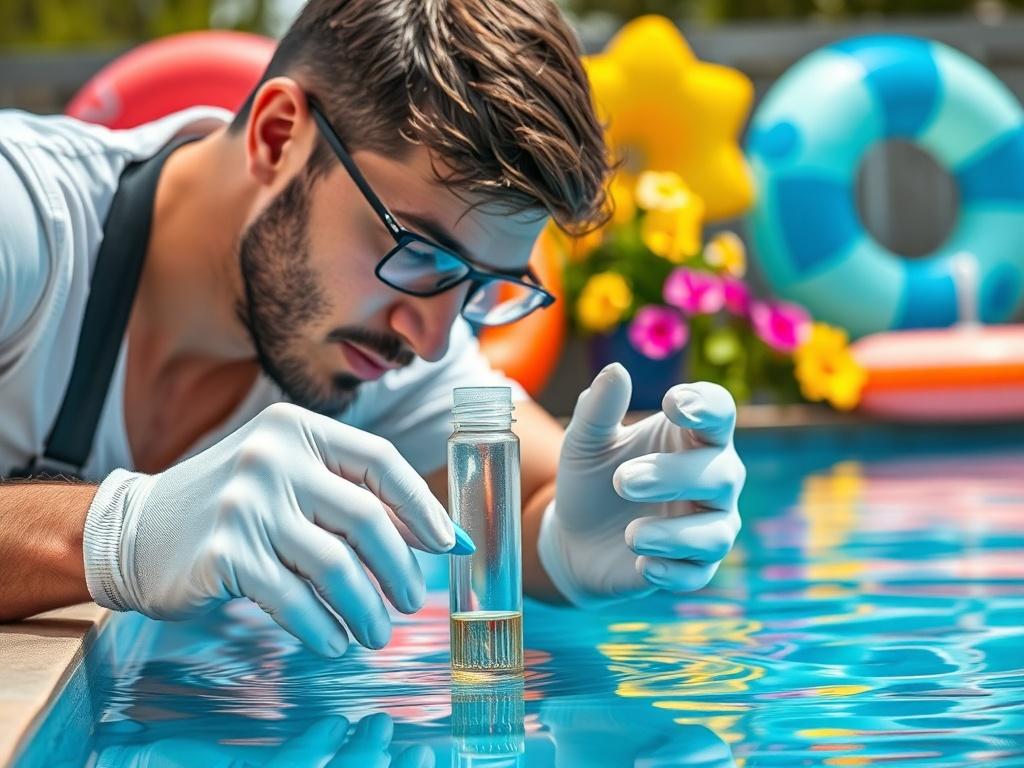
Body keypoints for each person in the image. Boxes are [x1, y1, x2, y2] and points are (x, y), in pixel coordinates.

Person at [0, 0, 744, 657]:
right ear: (278, 133)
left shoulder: (376, 343)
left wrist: (582, 531)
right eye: (417, 252)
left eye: (482, 285)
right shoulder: (24, 222)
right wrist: (120, 534)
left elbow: (526, 491)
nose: (427, 337)